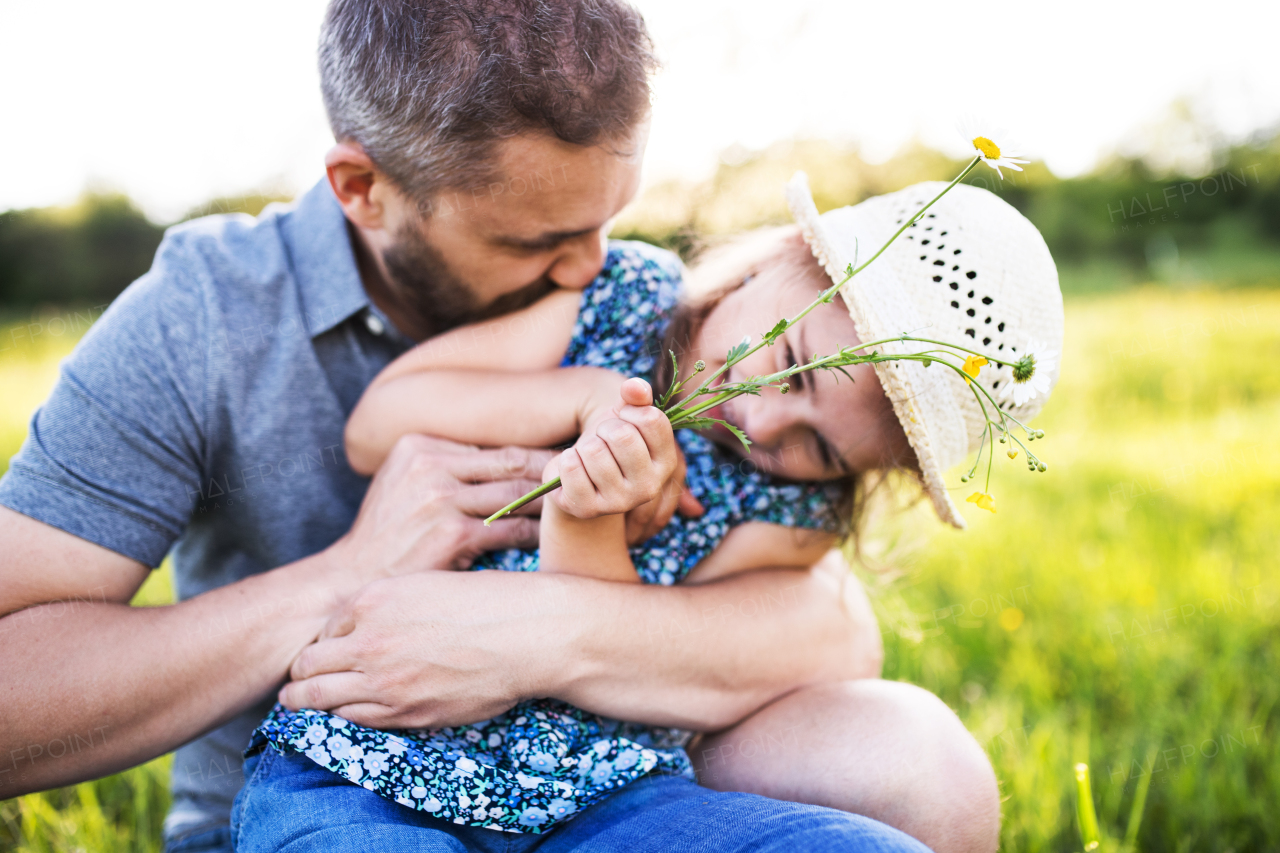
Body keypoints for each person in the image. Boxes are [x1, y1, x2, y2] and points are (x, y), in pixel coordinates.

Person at [0, 2, 1012, 852]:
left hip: (595, 792)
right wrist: (343, 575)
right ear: (361, 188)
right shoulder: (204, 316)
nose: (591, 269)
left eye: (608, 221)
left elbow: (823, 620)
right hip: (356, 786)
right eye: (539, 239)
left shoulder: (654, 315)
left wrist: (555, 600)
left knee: (916, 769)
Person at [232, 177, 1063, 850]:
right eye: (789, 366)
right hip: (367, 762)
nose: (764, 424)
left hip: (599, 793)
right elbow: (378, 426)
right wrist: (589, 399)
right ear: (772, 264)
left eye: (824, 449)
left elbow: (635, 676)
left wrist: (590, 521)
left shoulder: (792, 514)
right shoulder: (621, 303)